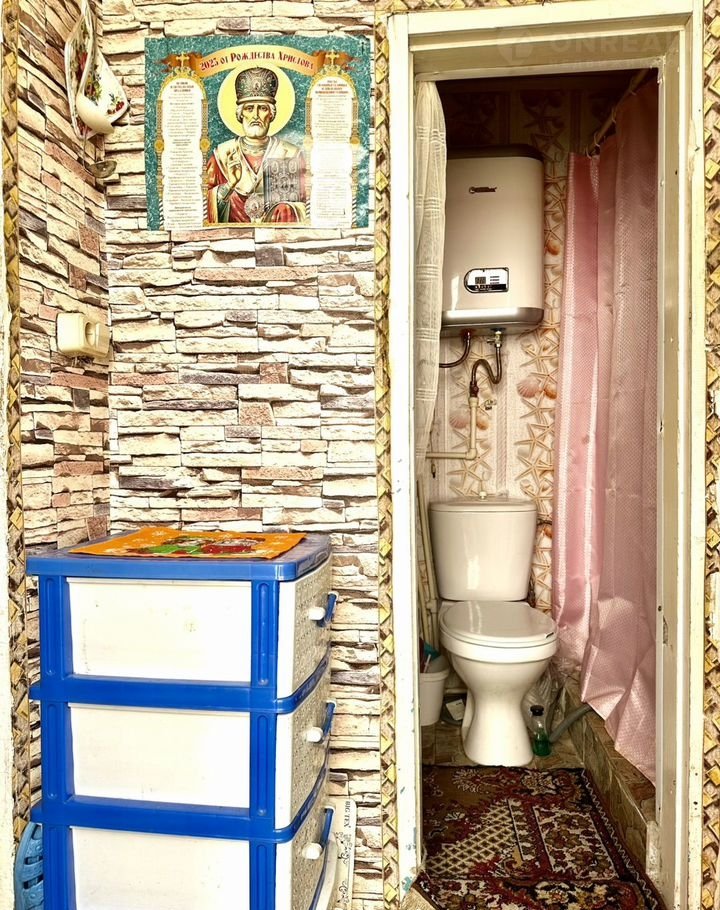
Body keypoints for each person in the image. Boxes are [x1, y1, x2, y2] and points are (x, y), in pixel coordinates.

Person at [206, 67, 307, 224]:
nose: (255, 116)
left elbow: (307, 203)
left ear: (271, 114)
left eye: (262, 108)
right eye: (249, 108)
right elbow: (203, 205)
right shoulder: (223, 155)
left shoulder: (290, 153)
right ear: (240, 114)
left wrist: (285, 208)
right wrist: (230, 185)